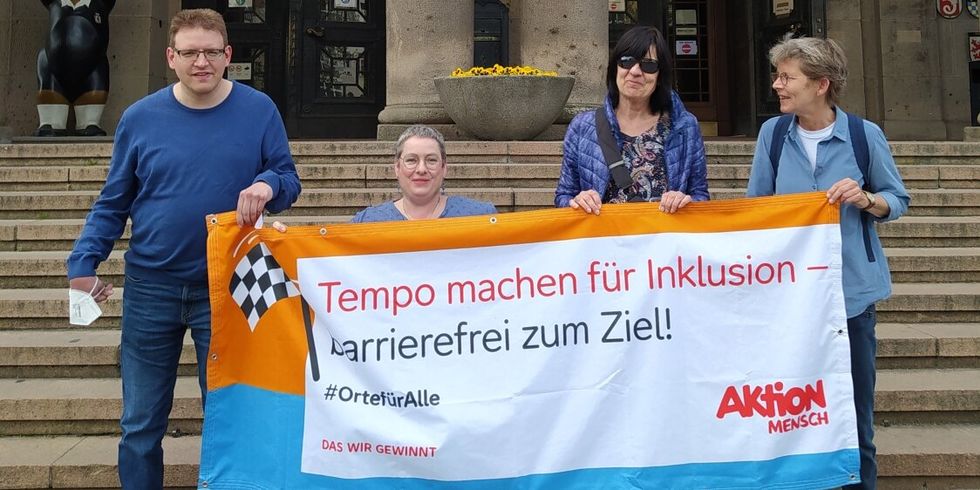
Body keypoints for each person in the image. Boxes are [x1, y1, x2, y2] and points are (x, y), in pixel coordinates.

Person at [65, 8, 301, 489]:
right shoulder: (140, 118)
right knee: (139, 424)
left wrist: (268, 184)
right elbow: (114, 200)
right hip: (152, 287)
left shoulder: (259, 110)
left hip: (231, 286)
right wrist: (83, 261)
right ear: (171, 57)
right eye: (190, 52)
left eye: (212, 51)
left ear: (228, 55)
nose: (201, 62)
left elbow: (289, 177)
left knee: (231, 416)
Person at [746, 37, 909, 489]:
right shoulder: (772, 136)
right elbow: (756, 208)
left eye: (787, 77)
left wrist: (867, 198)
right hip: (791, 300)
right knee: (791, 416)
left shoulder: (863, 134)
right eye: (777, 75)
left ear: (821, 84)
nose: (777, 84)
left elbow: (897, 200)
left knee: (856, 420)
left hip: (852, 298)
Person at [555, 25, 709, 215]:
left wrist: (686, 201)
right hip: (604, 241)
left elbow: (700, 195)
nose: (635, 71)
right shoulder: (582, 127)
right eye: (627, 61)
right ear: (615, 69)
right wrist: (577, 201)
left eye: (649, 65)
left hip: (662, 241)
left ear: (660, 76)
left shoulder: (685, 127)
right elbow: (563, 196)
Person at [351, 124, 496, 222]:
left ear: (444, 167)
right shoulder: (367, 222)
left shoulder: (480, 216)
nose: (421, 169)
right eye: (411, 160)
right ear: (397, 167)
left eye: (431, 160)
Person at [35, 0, 115, 136]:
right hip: (54, 67)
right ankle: (50, 121)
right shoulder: (55, 3)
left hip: (92, 70)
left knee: (97, 80)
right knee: (45, 63)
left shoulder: (100, 3)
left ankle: (89, 121)